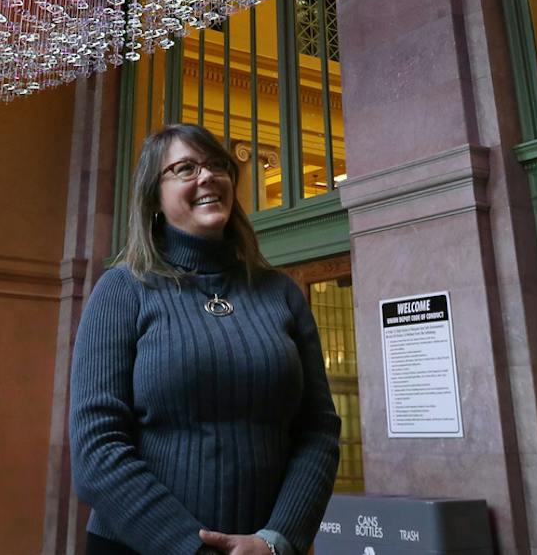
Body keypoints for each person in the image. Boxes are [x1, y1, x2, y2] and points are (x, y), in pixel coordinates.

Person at [69, 122, 341, 555]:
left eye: (217, 165)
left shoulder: (280, 293)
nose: (208, 176)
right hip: (138, 546)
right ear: (154, 198)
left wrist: (276, 540)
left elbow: (318, 430)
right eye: (185, 168)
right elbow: (96, 448)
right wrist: (192, 548)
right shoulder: (122, 290)